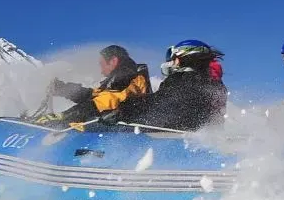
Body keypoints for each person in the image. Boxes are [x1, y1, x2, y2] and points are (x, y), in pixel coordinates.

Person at [99, 39, 228, 131]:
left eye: (173, 59)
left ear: (184, 57)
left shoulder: (184, 79)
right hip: (192, 137)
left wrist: (124, 110)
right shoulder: (212, 84)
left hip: (169, 140)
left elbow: (162, 104)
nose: (171, 63)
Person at [42, 44, 151, 124]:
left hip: (132, 129)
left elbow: (108, 100)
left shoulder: (127, 76)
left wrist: (66, 116)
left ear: (113, 61)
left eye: (102, 64)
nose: (101, 71)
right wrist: (63, 89)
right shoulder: (121, 78)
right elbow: (95, 95)